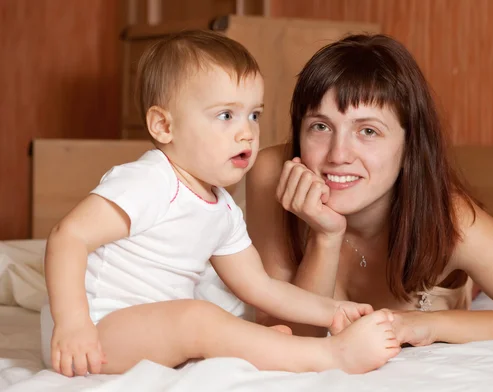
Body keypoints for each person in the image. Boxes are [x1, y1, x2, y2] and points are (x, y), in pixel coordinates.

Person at [41, 30, 401, 378]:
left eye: (254, 115)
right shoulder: (150, 180)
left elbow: (262, 288)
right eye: (226, 115)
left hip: (152, 331)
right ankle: (329, 356)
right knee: (198, 319)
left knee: (212, 319)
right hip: (97, 330)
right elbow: (67, 237)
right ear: (164, 126)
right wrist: (73, 324)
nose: (247, 132)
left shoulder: (223, 209)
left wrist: (334, 311)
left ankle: (256, 347)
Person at [246, 34, 493, 344]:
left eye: (368, 131)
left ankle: (467, 286)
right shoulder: (271, 173)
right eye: (320, 126)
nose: (338, 155)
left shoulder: (452, 220)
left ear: (409, 144)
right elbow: (289, 335)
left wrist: (430, 325)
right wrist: (324, 237)